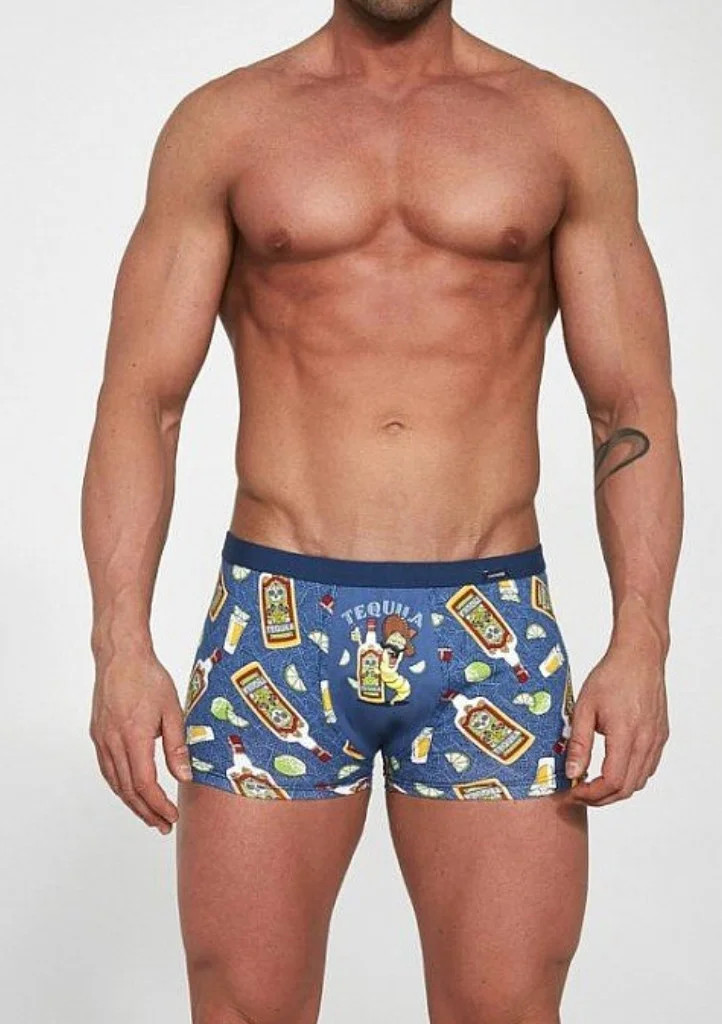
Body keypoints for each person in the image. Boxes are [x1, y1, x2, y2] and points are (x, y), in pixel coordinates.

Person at [81, 1, 683, 1021]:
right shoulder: (227, 126)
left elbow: (628, 404)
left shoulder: (558, 128)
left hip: (490, 630)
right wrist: (118, 645)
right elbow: (144, 401)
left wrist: (642, 641)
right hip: (275, 623)